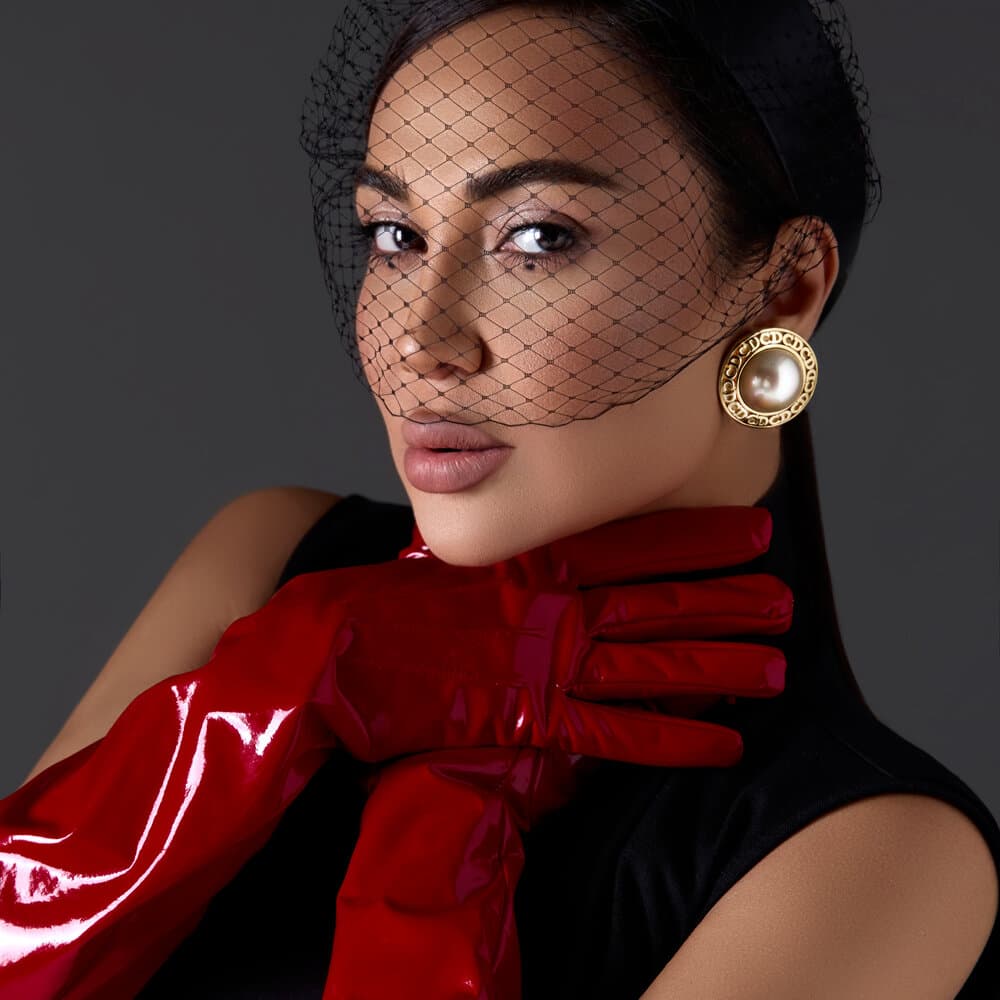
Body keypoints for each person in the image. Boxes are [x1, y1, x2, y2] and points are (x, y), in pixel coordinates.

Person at [4, 1, 999, 997]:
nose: (421, 340)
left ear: (782, 290)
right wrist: (260, 701)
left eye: (539, 237)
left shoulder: (877, 858)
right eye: (395, 234)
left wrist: (440, 805)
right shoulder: (270, 570)